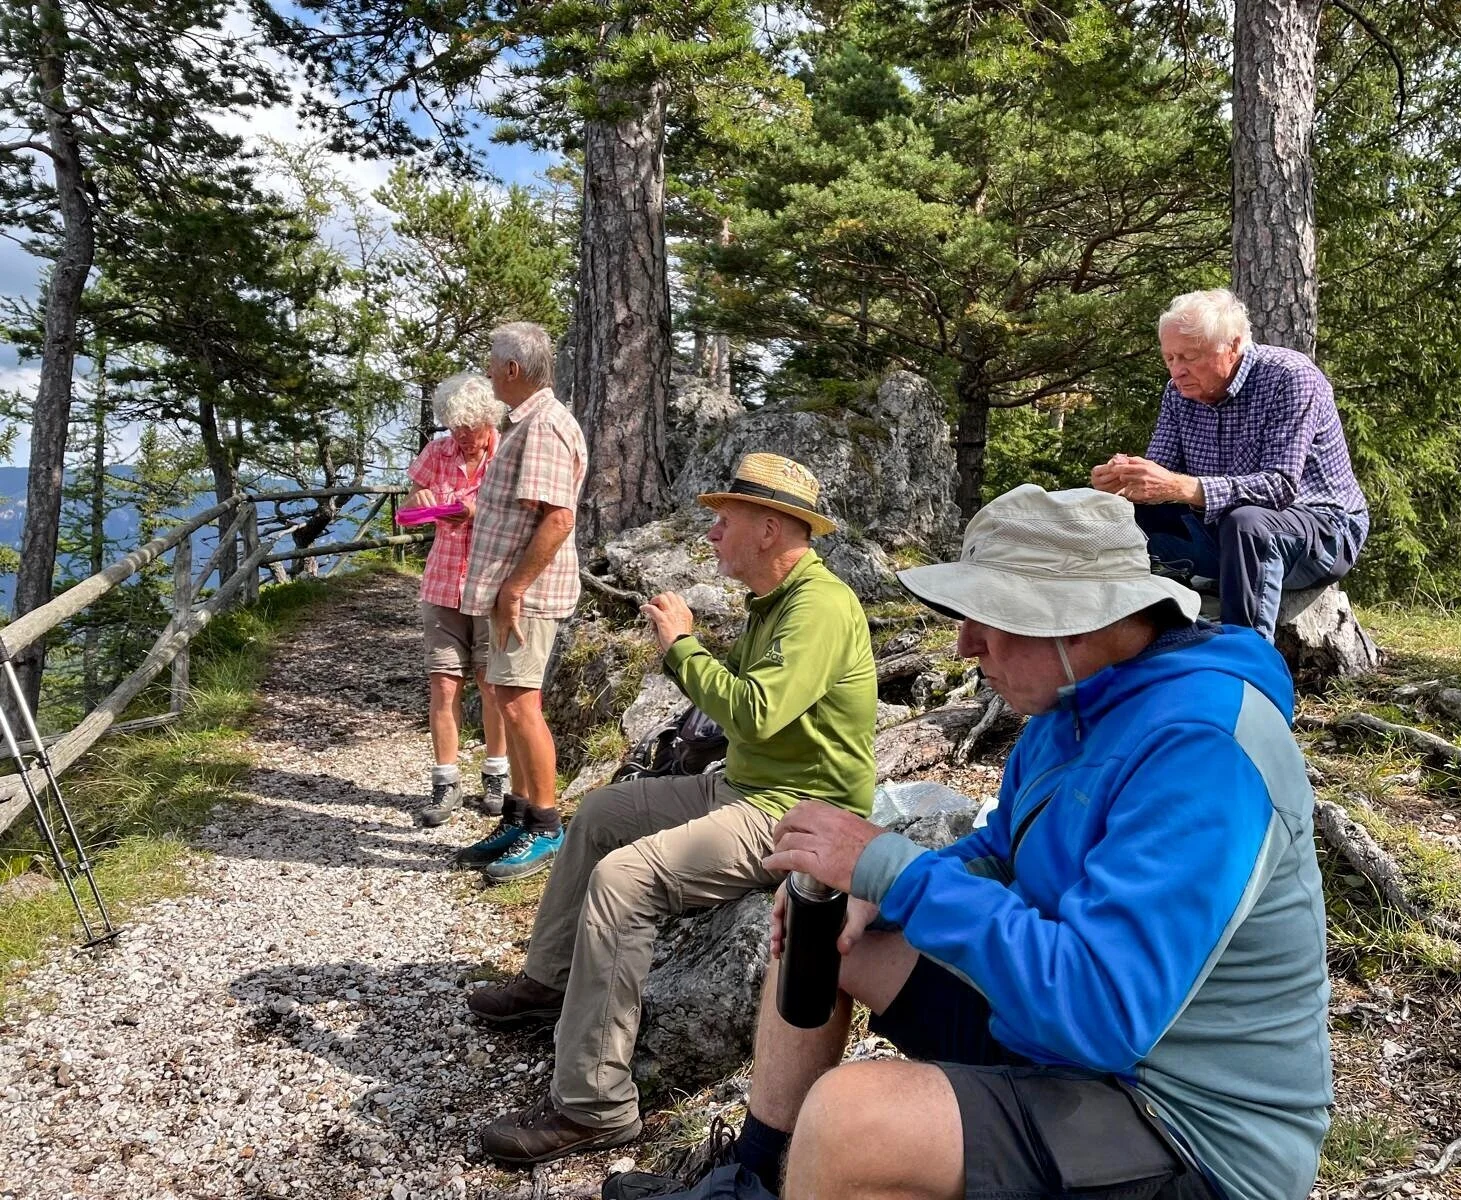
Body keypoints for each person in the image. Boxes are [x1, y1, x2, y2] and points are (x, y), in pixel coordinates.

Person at [610, 486, 1332, 1200]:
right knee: (822, 933)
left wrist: (897, 874)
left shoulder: (1203, 750)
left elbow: (1103, 1011)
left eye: (990, 617)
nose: (964, 643)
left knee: (848, 1123)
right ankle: (755, 1180)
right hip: (1077, 1051)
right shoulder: (1074, 706)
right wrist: (871, 894)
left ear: (1078, 620)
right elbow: (1002, 851)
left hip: (1187, 1129)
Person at [465, 453, 879, 1168]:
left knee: (626, 880)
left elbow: (756, 712)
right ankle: (550, 984)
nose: (713, 531)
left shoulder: (819, 605)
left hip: (797, 812)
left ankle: (594, 1107)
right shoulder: (778, 599)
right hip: (744, 788)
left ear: (770, 529)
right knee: (600, 814)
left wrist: (680, 645)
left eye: (726, 519)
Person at [1091, 287, 1368, 637]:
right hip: (1222, 531)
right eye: (1170, 358)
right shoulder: (1178, 393)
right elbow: (1161, 476)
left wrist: (1181, 486)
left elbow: (1279, 487)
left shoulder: (1290, 377)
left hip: (1322, 533)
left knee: (1247, 523)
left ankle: (1246, 660)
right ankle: (1123, 636)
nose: (1177, 371)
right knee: (1123, 515)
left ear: (1233, 345)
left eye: (1189, 357)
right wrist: (1127, 480)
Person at [453, 323, 588, 880]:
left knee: (519, 705)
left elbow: (558, 517)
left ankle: (546, 828)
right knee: (507, 698)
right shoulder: (525, 423)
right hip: (514, 594)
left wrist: (513, 590)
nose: (487, 371)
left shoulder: (545, 427)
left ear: (512, 369)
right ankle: (520, 813)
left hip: (526, 597)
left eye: (491, 362)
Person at [403, 372, 510, 827]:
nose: (461, 434)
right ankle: (445, 782)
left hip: (491, 584)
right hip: (443, 583)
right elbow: (407, 514)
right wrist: (422, 499)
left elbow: (523, 516)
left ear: (490, 418)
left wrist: (476, 512)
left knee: (492, 683)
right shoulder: (437, 451)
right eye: (453, 424)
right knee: (443, 683)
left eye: (470, 425)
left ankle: (496, 776)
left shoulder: (508, 453)